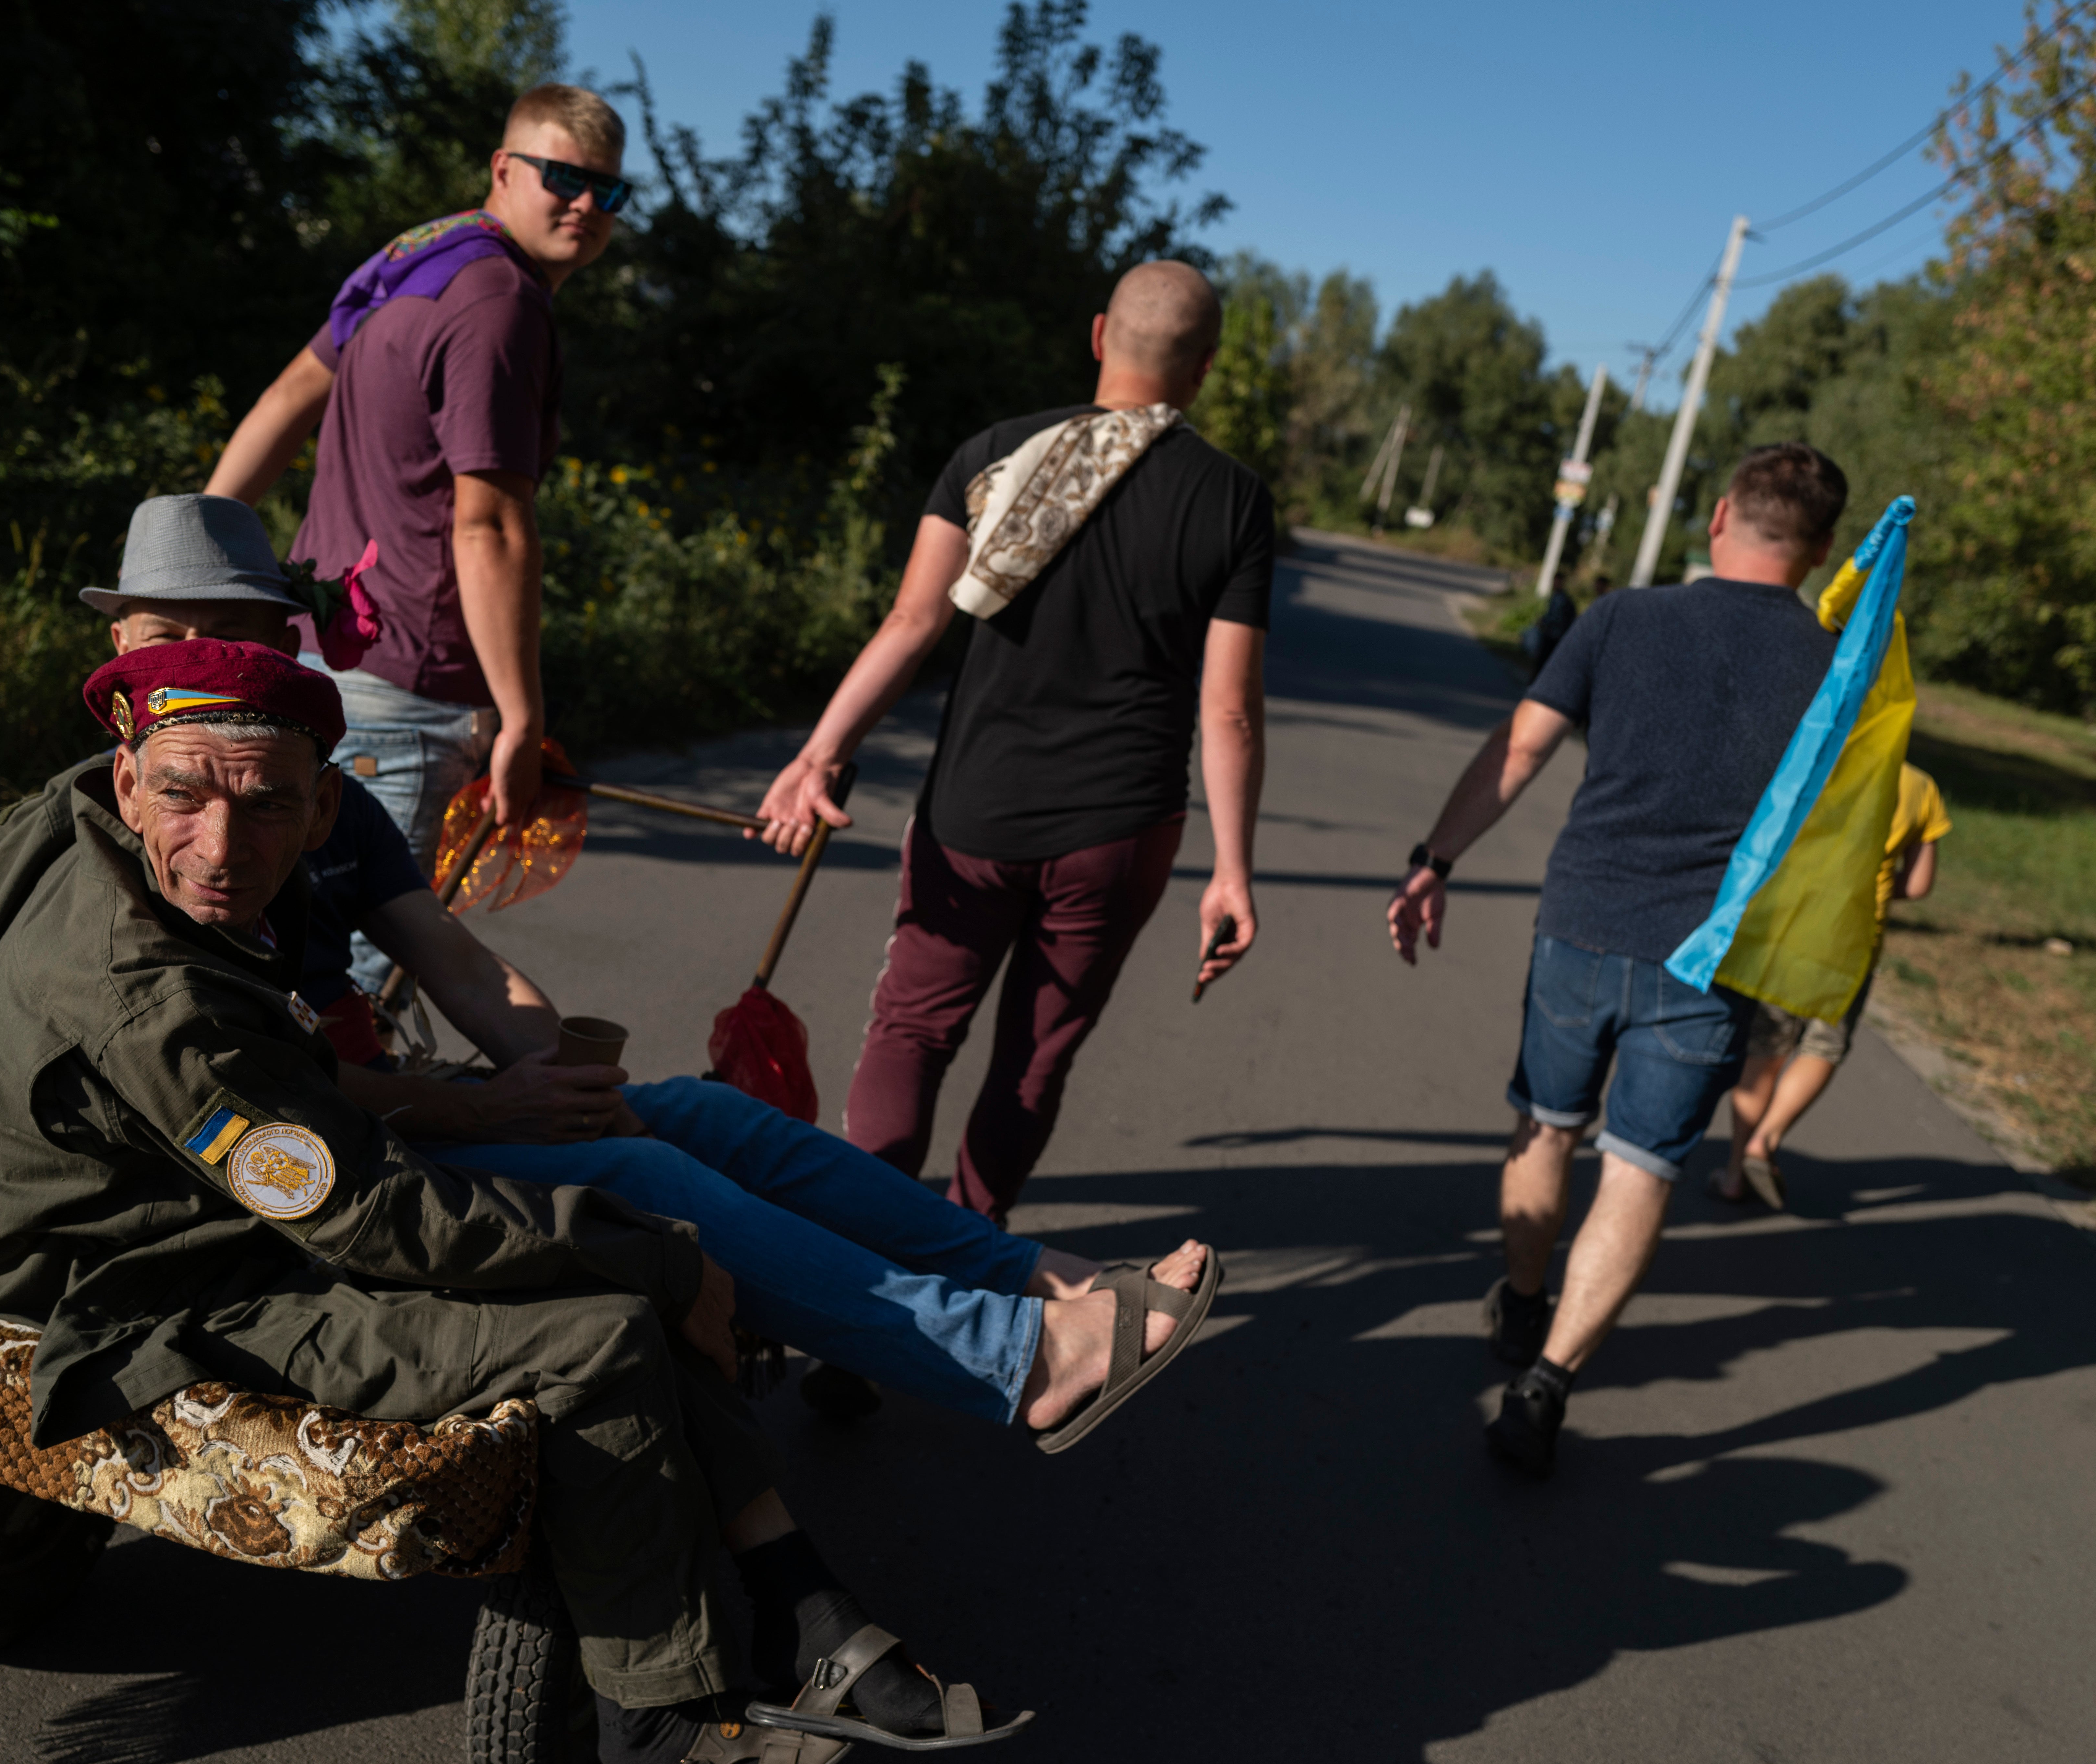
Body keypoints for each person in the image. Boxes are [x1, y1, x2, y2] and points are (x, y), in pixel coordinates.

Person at [0, 639, 1078, 1764]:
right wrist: (666, 1258)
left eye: (263, 805)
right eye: (186, 795)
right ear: (130, 782)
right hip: (148, 1279)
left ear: (321, 813)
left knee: (649, 1176)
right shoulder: (158, 1002)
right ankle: (658, 1732)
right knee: (603, 1333)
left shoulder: (75, 819)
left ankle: (807, 1602)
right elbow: (365, 1218)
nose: (222, 845)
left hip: (145, 1196)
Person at [73, 493, 1221, 1441]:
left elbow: (458, 962)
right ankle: (1012, 1361)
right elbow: (252, 1091)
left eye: (249, 635)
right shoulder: (147, 817)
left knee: (706, 1120)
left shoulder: (322, 788)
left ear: (287, 643)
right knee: (651, 1181)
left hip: (365, 1105)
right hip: (290, 1156)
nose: (219, 662)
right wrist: (489, 1109)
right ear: (126, 652)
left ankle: (1034, 1282)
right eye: (183, 639)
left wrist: (557, 1069)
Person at [757, 260, 1273, 1225]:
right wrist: (1232, 871)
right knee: (1035, 1059)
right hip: (1117, 833)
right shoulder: (1232, 501)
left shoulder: (992, 455)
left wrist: (819, 751)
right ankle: (965, 1256)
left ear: (1095, 337)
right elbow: (1229, 710)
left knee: (909, 1033)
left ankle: (855, 1265)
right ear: (1203, 368)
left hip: (970, 813)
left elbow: (911, 623)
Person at [1384, 442, 1853, 1479]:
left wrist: (1433, 861)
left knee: (1545, 1129)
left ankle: (1518, 1305)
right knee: (1640, 1169)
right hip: (1714, 958)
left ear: (1720, 513)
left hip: (1583, 923)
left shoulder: (1621, 620)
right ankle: (1546, 1382)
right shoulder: (1835, 675)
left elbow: (1516, 749)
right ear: (1820, 551)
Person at [205, 82, 628, 989]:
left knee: (288, 949)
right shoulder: (501, 303)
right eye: (562, 176)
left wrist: (194, 563)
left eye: (608, 190)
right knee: (351, 986)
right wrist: (522, 718)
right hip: (408, 692)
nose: (586, 204)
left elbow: (283, 402)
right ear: (504, 169)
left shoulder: (416, 255)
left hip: (321, 659)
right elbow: (491, 524)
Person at [1715, 761, 1950, 1209]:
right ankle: (1764, 1142)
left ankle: (1731, 1175)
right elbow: (1918, 885)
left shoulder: (1817, 759)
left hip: (1788, 928)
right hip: (1854, 936)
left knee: (1766, 1048)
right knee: (1822, 1046)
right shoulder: (1922, 786)